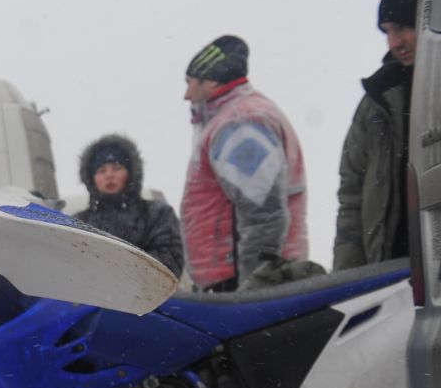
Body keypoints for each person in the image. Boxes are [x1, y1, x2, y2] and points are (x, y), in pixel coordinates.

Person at [178, 36, 312, 292]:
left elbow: (264, 215)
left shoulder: (240, 125)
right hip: (232, 276)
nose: (186, 95)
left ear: (212, 82)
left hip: (238, 279)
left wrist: (254, 287)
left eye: (190, 83)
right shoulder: (233, 119)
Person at [334, 0, 426, 271]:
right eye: (387, 32)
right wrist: (346, 284)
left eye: (401, 28)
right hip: (391, 277)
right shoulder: (376, 101)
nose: (394, 42)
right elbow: (352, 198)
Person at [72, 133, 184, 277]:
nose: (109, 175)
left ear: (131, 173)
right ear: (91, 179)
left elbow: (170, 262)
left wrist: (117, 274)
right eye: (101, 171)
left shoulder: (157, 213)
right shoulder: (78, 223)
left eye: (117, 168)